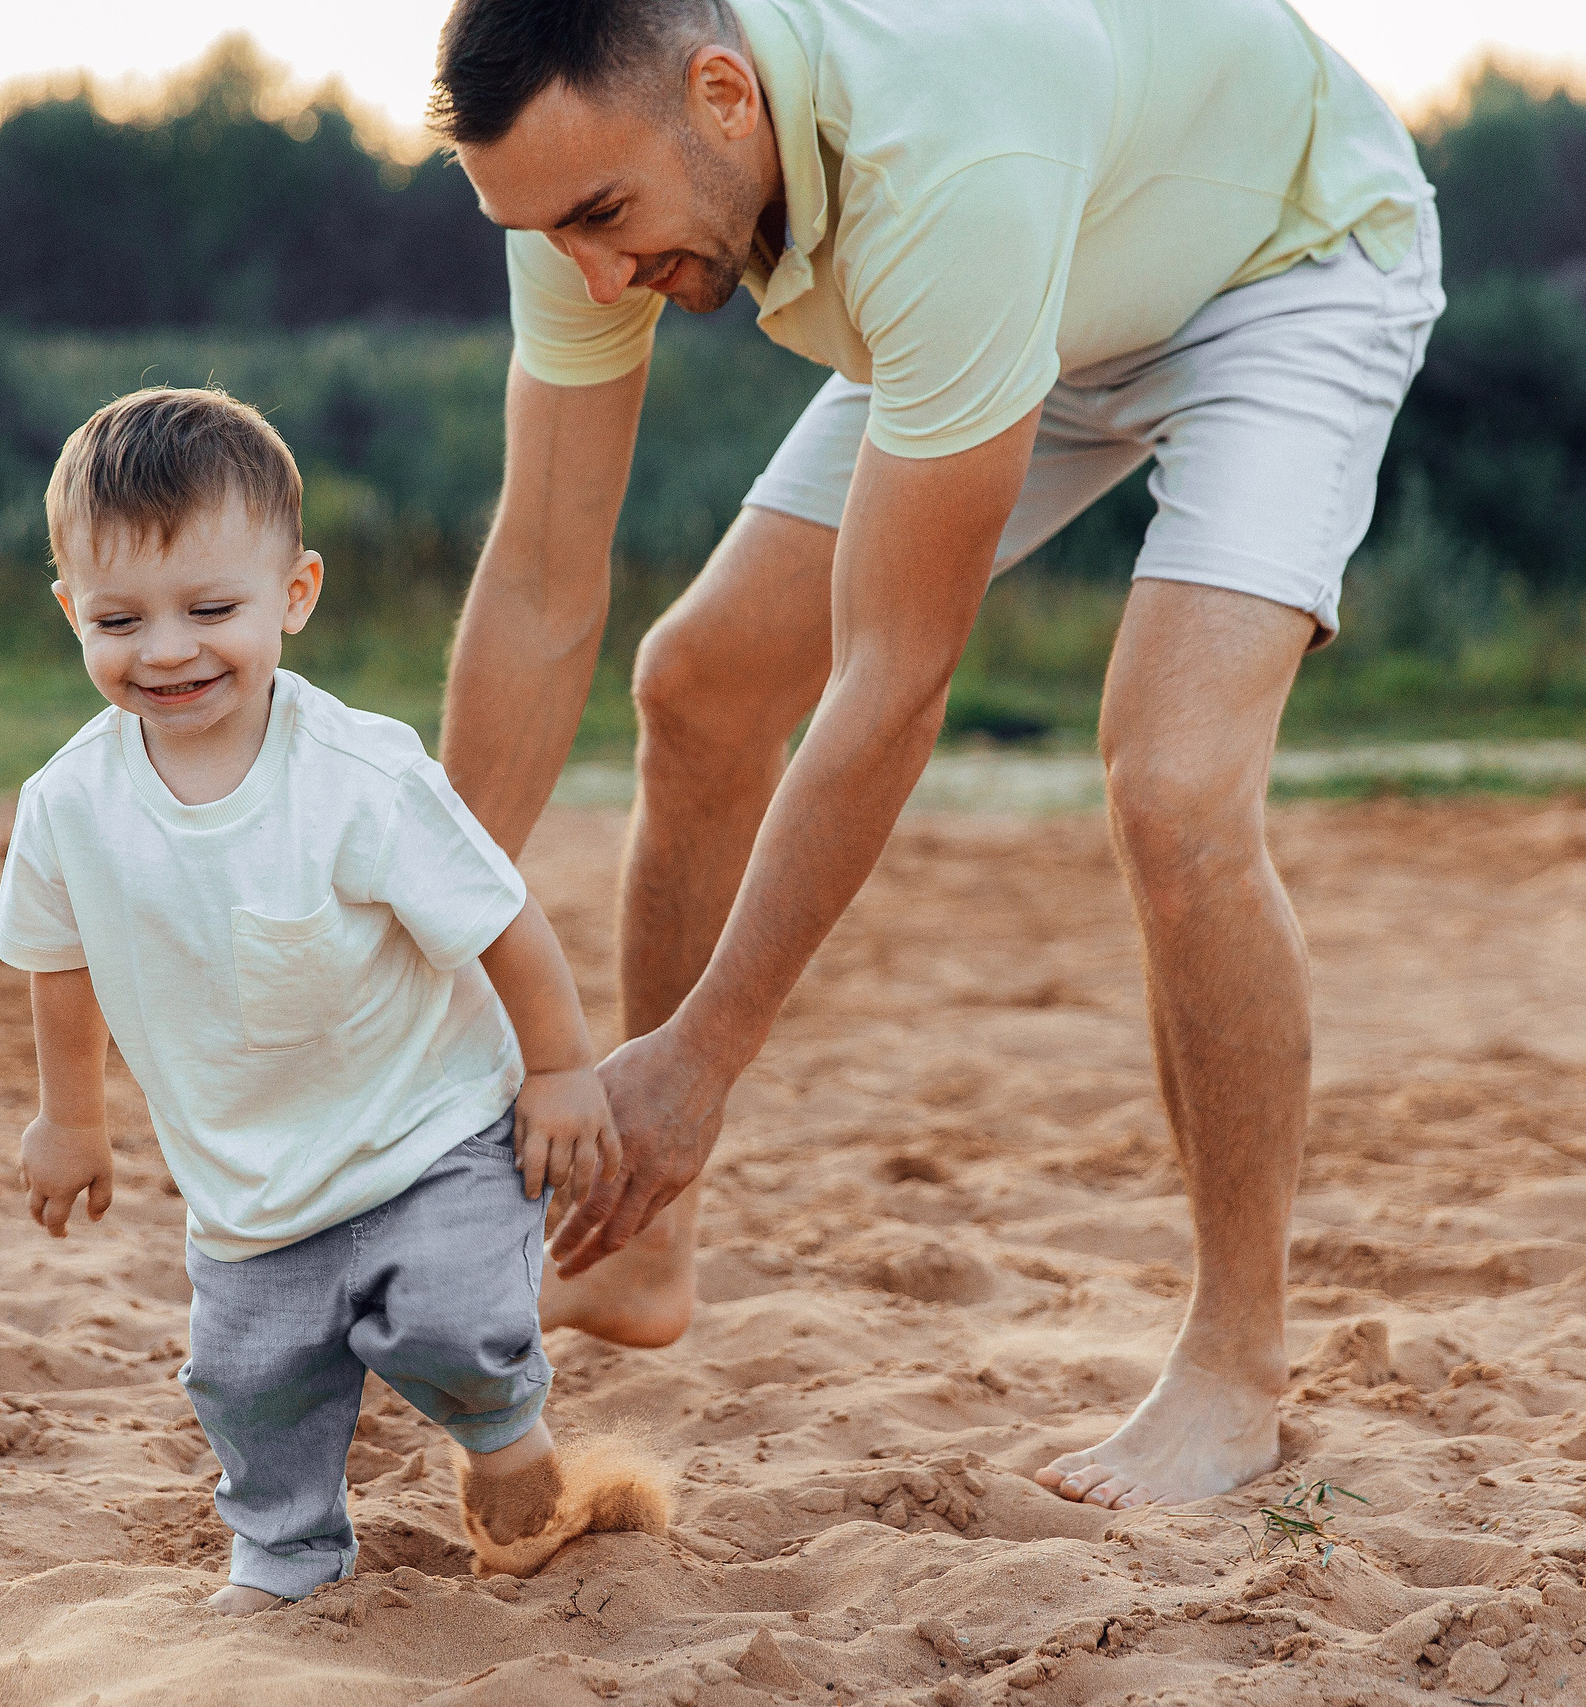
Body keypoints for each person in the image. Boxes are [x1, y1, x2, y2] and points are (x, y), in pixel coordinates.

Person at [430, 0, 1444, 1508]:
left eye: (601, 219)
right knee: (700, 684)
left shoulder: (946, 154)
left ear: (723, 95)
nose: (591, 272)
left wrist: (700, 1059)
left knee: (1172, 787)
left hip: (1279, 266)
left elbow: (894, 682)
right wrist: (418, 933)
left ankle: (1233, 1370)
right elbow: (538, 578)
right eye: (545, 232)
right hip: (1043, 269)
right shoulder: (570, 168)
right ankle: (638, 1247)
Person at [0, 387, 668, 1611]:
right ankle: (288, 1556)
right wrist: (71, 1118)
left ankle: (507, 1445)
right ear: (68, 613)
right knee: (252, 1385)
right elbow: (59, 958)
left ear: (293, 594)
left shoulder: (357, 775)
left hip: (432, 1131)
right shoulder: (67, 805)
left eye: (211, 610)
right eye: (118, 619)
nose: (167, 650)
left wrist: (563, 1070)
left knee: (452, 1321)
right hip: (248, 1183)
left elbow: (501, 919)